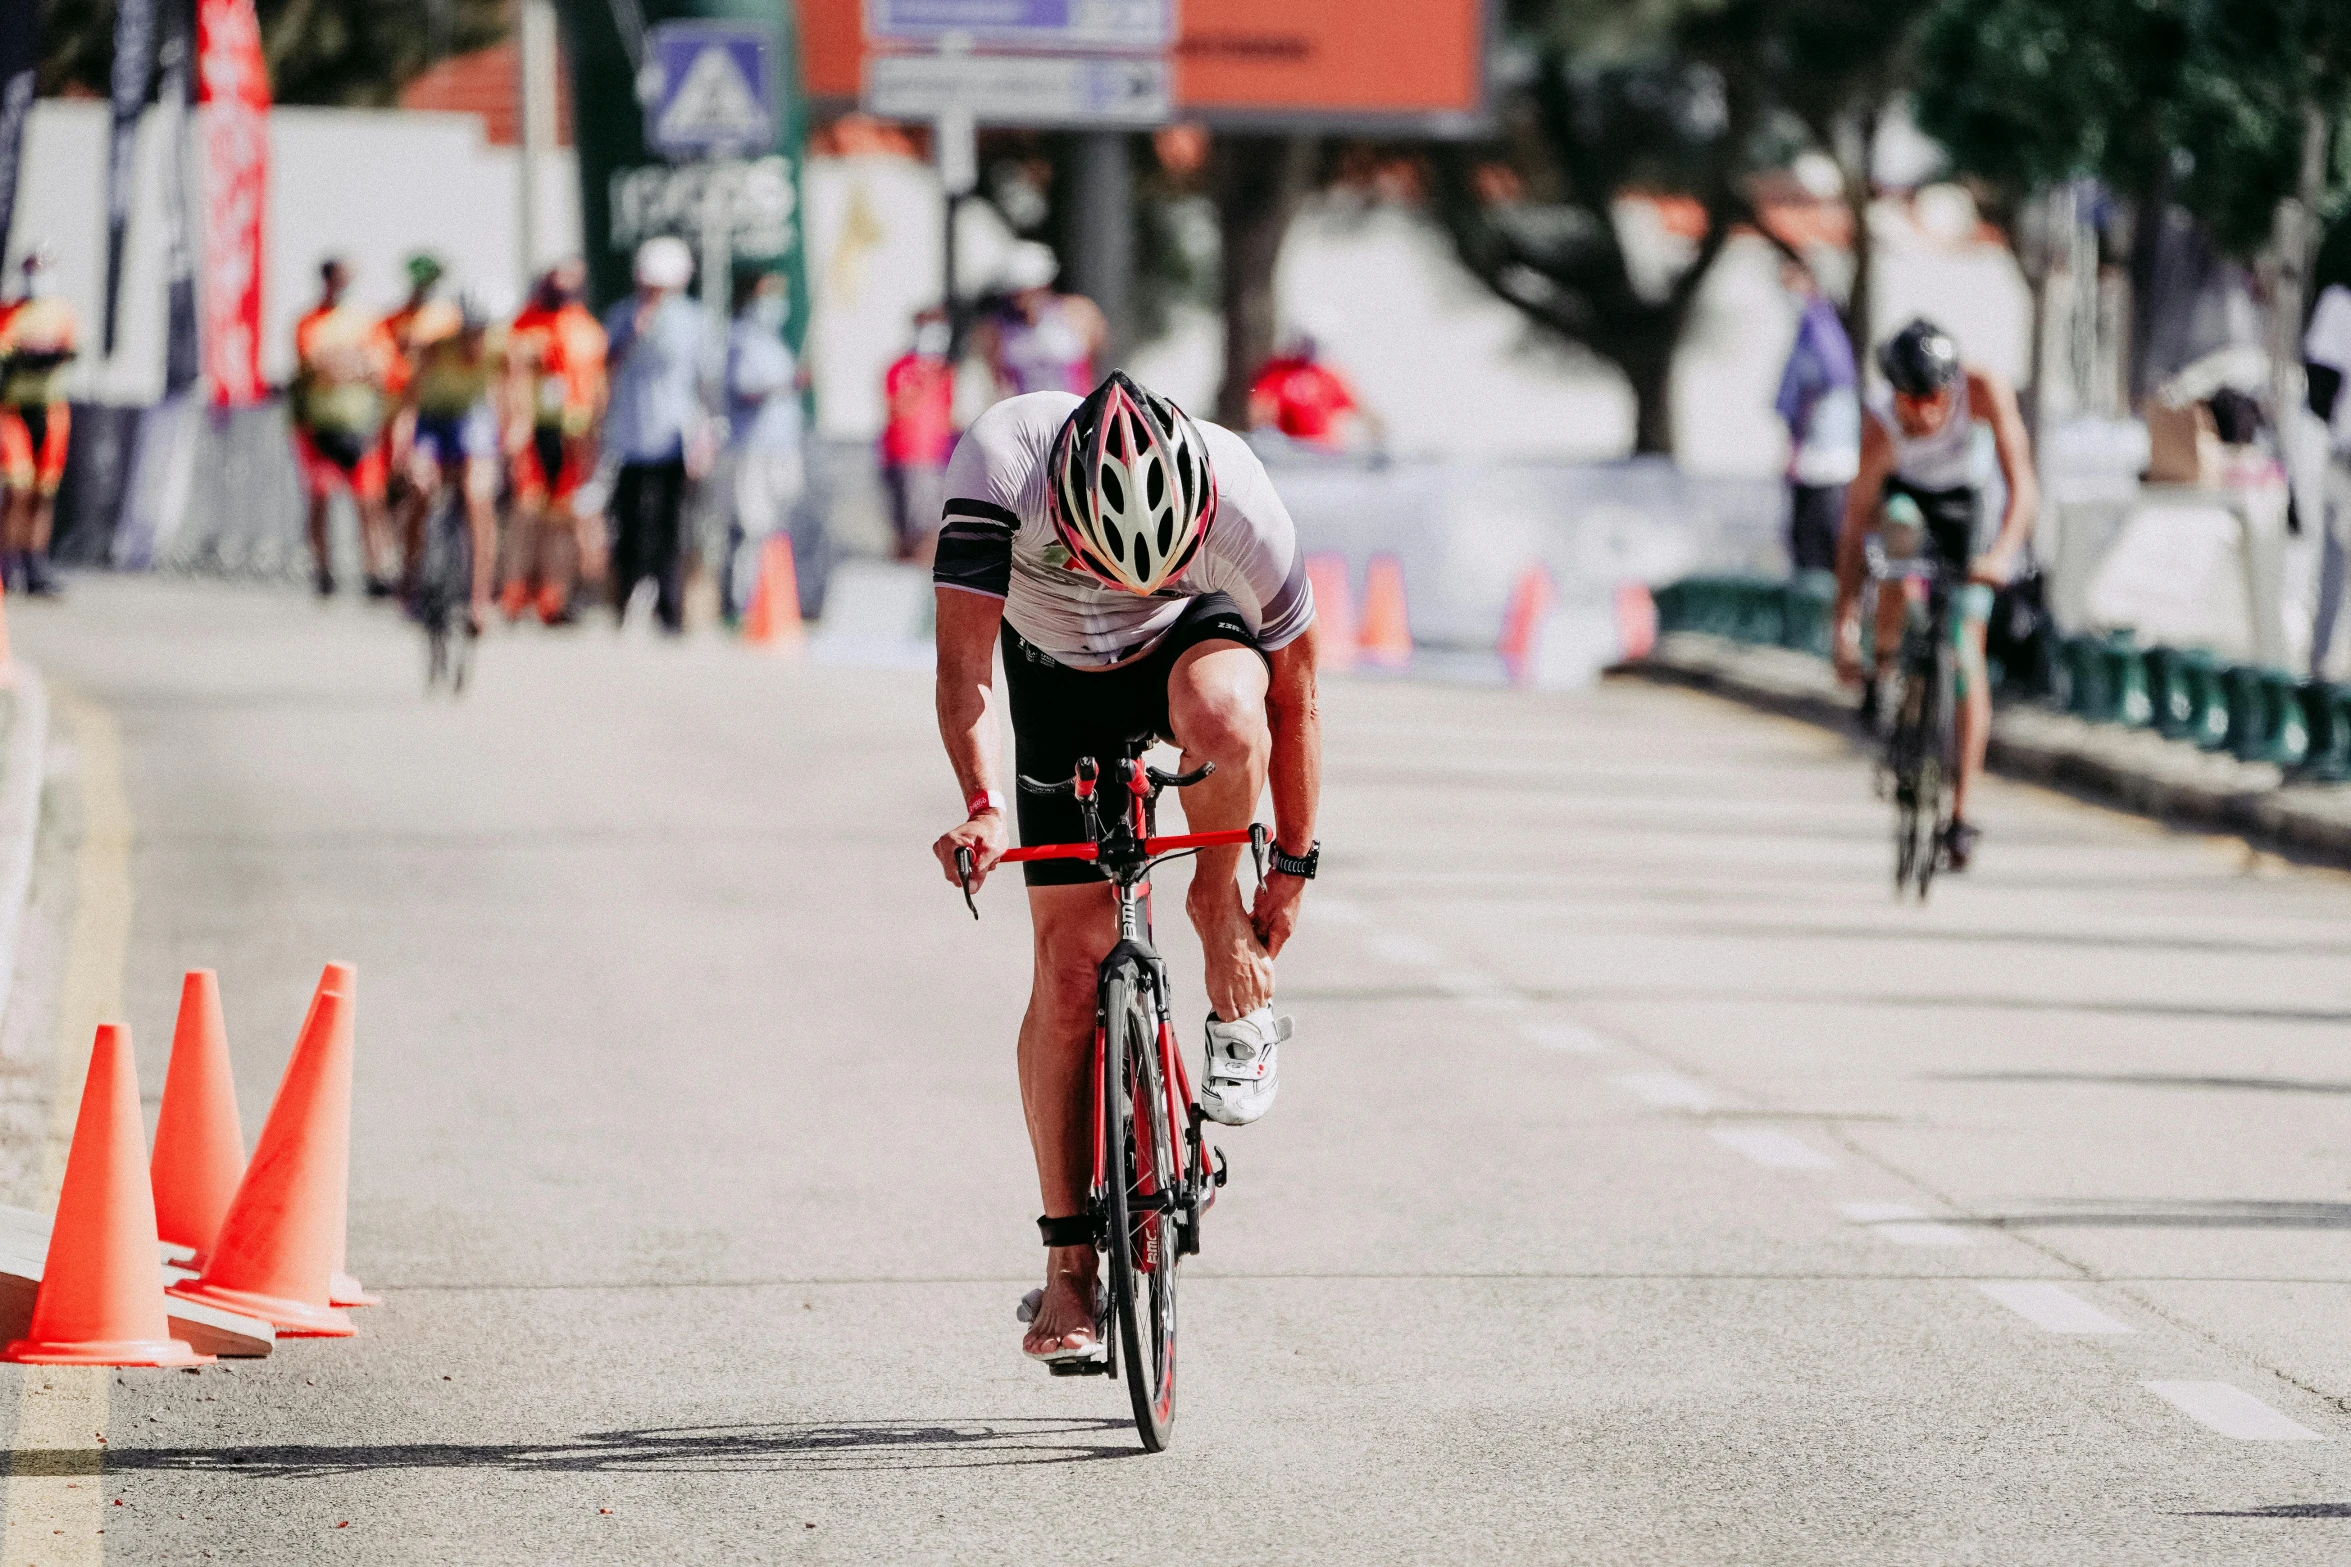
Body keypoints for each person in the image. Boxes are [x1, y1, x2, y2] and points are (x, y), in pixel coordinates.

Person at [928, 372, 1323, 1364]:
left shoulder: (1242, 495)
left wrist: (1288, 866)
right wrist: (979, 808)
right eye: (1098, 563)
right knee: (1068, 968)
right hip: (1051, 676)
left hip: (1185, 649)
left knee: (1230, 716)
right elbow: (964, 674)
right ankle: (1069, 1267)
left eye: (1150, 564)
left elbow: (1296, 703)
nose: (1121, 584)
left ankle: (1209, 913)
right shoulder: (997, 466)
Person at [1831, 319, 2039, 871]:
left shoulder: (1983, 391)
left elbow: (2023, 488)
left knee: (1967, 652)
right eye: (1910, 400)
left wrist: (1999, 557)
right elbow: (1854, 528)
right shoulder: (1880, 428)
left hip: (1966, 513)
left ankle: (1961, 814)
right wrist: (1845, 626)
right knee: (1897, 540)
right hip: (1909, 504)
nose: (1922, 412)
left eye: (1933, 398)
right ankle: (1889, 662)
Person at [599, 236, 706, 633]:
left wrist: (705, 434)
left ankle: (670, 608)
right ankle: (624, 599)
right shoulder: (622, 315)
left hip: (675, 438)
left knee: (671, 524)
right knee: (628, 522)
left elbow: (704, 380)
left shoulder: (694, 320)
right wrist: (634, 331)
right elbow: (605, 365)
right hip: (629, 438)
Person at [504, 259, 608, 625]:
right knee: (527, 515)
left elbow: (597, 391)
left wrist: (593, 439)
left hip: (573, 435)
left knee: (563, 520)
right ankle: (515, 593)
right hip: (534, 432)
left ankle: (554, 596)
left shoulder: (588, 330)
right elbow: (508, 375)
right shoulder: (524, 324)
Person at [395, 292, 506, 632]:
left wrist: (512, 434)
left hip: (471, 420)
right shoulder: (436, 349)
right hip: (433, 420)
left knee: (478, 497)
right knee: (421, 489)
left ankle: (479, 597)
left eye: (480, 334)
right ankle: (411, 574)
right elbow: (410, 399)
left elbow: (510, 396)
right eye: (469, 334)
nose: (475, 342)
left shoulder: (500, 350)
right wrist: (404, 444)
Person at [290, 257, 400, 598]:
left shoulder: (366, 321)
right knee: (320, 501)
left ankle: (376, 571)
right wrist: (355, 363)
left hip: (361, 423)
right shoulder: (308, 322)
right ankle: (323, 570)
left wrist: (345, 365)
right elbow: (316, 365)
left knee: (369, 502)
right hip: (319, 426)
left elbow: (383, 366)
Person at [714, 270, 806, 621]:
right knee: (751, 525)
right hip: (753, 448)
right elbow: (745, 389)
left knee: (775, 527)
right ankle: (740, 604)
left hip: (782, 447)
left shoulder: (775, 342)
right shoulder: (742, 339)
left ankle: (770, 602)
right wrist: (785, 384)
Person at [0, 247, 79, 596]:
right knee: (16, 489)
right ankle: (7, 561)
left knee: (42, 492)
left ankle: (35, 563)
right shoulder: (8, 313)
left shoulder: (61, 313)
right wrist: (19, 360)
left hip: (49, 409)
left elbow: (71, 350)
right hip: (13, 410)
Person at [1773, 263, 1860, 576]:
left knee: (1814, 551)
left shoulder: (1816, 326)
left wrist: (1796, 448)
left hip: (1820, 459)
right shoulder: (1822, 324)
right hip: (1826, 458)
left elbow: (1813, 385)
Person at [2302, 220, 2351, 678]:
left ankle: (2320, 665)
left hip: (2346, 452)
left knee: (2335, 566)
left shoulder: (2339, 304)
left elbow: (2319, 394)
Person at [974, 242, 1106, 398]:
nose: (1021, 302)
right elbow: (998, 379)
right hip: (1029, 415)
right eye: (1014, 295)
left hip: (1078, 411)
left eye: (1026, 293)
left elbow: (1098, 358)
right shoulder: (996, 329)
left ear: (1044, 286)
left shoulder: (1079, 312)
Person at [879, 308, 955, 562]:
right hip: (908, 458)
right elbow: (898, 407)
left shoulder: (945, 371)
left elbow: (948, 415)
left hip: (937, 459)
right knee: (912, 532)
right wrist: (925, 375)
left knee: (934, 528)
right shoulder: (901, 368)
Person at [1246, 334, 1384, 452]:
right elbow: (1259, 407)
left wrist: (1378, 435)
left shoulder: (1329, 376)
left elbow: (1360, 409)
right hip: (1291, 453)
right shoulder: (1279, 371)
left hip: (1325, 454)